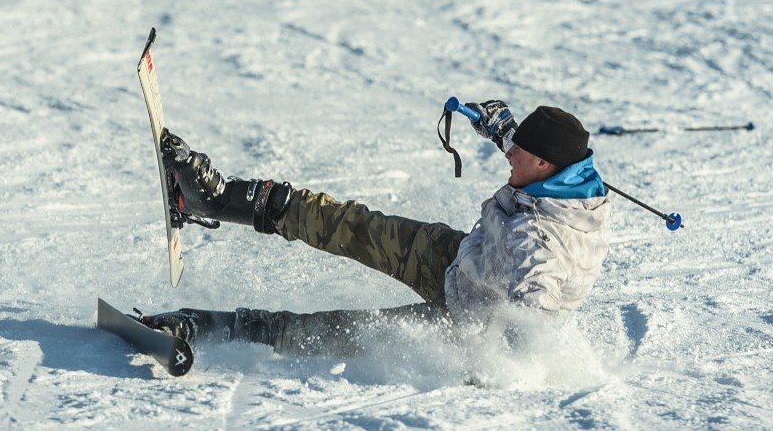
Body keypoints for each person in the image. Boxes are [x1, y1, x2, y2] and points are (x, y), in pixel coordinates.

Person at [143, 100, 612, 357]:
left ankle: (214, 328)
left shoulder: (542, 248)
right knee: (350, 223)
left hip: (466, 326)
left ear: (546, 165)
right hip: (462, 258)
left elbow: (532, 331)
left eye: (517, 150)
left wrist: (491, 363)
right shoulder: (556, 172)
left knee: (331, 333)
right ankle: (211, 197)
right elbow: (522, 145)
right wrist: (499, 126)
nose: (508, 152)